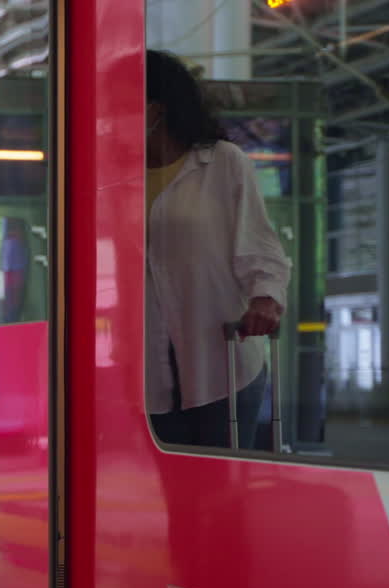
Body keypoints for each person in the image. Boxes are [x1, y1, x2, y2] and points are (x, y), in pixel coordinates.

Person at [144, 50, 291, 449]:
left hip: (219, 358)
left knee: (219, 486)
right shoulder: (110, 171)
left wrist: (265, 298)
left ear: (157, 107)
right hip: (140, 366)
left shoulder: (222, 163)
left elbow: (260, 246)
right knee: (161, 493)